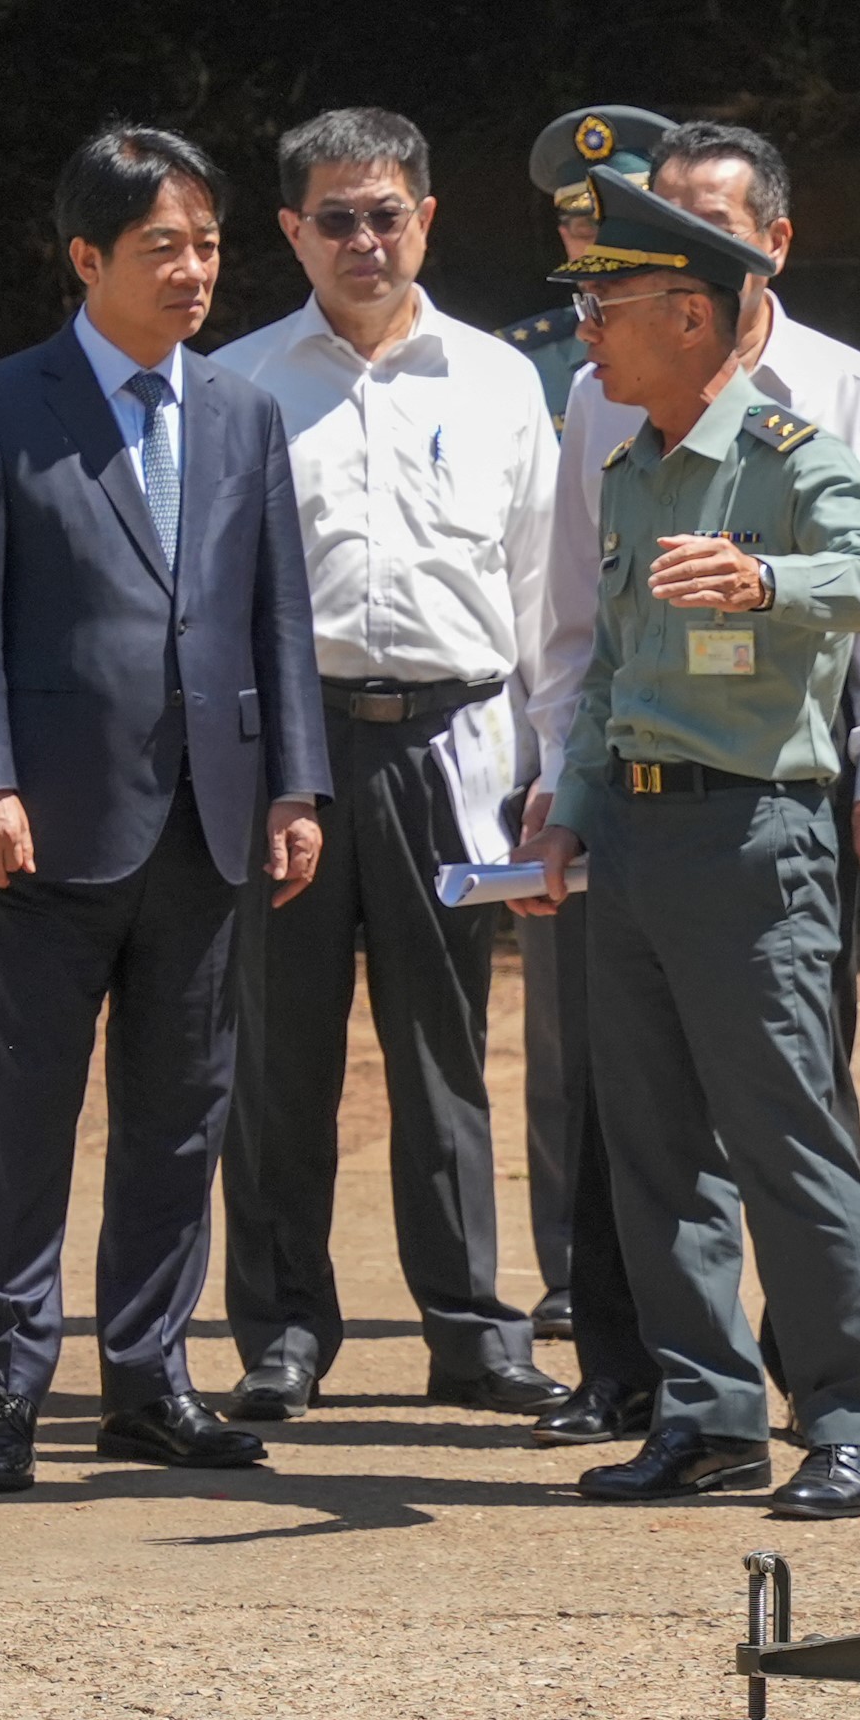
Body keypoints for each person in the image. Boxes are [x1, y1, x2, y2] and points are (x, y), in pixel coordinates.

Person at [526, 116, 860, 1447]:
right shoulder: (630, 461)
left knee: (785, 1142)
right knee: (654, 1150)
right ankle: (704, 1419)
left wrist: (772, 582)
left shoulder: (792, 448)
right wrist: (566, 806)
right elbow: (606, 665)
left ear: (696, 315)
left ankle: (848, 1424)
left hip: (755, 836)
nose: (585, 320)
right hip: (638, 838)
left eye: (610, 298)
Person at [0, 124, 330, 1495]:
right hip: (49, 823)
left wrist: (296, 787)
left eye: (209, 245)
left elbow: (278, 610)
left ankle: (149, 1379)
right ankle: (6, 1388)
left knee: (180, 1113)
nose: (195, 271)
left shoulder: (240, 409)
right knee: (23, 1116)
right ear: (87, 256)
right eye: (165, 247)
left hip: (209, 819)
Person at [208, 106, 571, 1425]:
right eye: (337, 217)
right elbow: (211, 601)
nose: (366, 239)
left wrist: (551, 774)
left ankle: (473, 1328)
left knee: (446, 1050)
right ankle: (285, 1332)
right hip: (291, 761)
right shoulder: (238, 383)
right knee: (280, 1057)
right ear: (292, 231)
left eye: (388, 212)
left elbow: (546, 595)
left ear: (428, 216)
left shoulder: (498, 381)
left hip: (456, 753)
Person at [500, 103, 668, 1345]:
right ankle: (568, 1264)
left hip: (690, 742)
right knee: (562, 1028)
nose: (591, 236)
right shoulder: (532, 368)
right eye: (574, 220)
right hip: (557, 730)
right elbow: (537, 584)